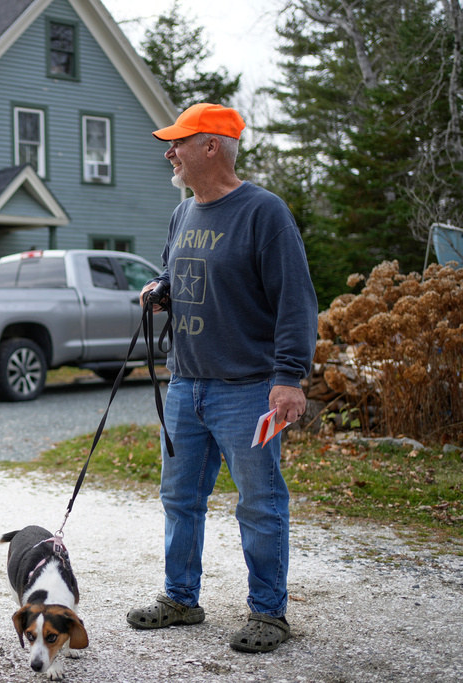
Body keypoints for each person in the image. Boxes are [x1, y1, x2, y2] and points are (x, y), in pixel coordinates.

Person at [127, 103, 317, 653]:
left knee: (259, 502)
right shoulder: (183, 213)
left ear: (211, 147)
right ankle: (181, 598)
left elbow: (296, 303)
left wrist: (289, 378)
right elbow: (172, 270)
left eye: (178, 143)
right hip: (187, 384)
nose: (170, 153)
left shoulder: (265, 212)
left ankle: (268, 614)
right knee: (179, 497)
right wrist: (159, 291)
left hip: (248, 389)